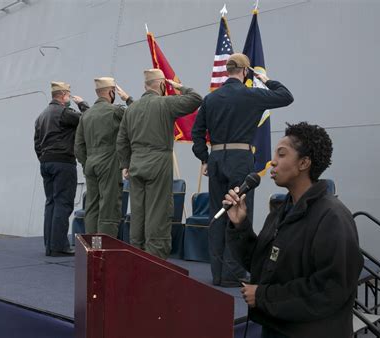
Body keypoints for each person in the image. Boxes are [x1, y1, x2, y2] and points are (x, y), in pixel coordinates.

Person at [223, 122, 364, 337]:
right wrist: (240, 225)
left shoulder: (332, 217)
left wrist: (264, 296)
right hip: (277, 328)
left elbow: (330, 289)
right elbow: (259, 264)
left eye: (281, 155)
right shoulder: (281, 211)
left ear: (304, 163)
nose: (273, 162)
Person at [191, 53, 294, 287]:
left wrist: (204, 159)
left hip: (216, 157)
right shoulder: (252, 94)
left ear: (227, 71)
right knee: (238, 212)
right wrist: (265, 80)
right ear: (246, 72)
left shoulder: (211, 99)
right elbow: (286, 96)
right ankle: (234, 273)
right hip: (240, 159)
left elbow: (197, 133)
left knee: (217, 213)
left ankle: (218, 273)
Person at [117, 69, 202, 259]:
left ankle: (136, 253)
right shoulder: (166, 104)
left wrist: (125, 164)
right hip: (159, 163)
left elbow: (121, 139)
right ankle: (155, 257)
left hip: (136, 164)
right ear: (163, 85)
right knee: (159, 210)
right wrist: (180, 87)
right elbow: (196, 98)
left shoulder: (131, 108)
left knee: (138, 211)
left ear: (145, 86)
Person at [34, 81, 89, 256]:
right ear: (64, 95)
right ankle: (59, 247)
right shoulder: (65, 112)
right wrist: (82, 104)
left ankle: (50, 246)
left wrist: (44, 158)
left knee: (50, 203)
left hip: (46, 163)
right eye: (68, 95)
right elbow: (88, 120)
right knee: (63, 204)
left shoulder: (41, 116)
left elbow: (37, 143)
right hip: (63, 162)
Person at [74, 77, 132, 238]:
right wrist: (127, 99)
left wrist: (86, 163)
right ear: (111, 92)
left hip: (90, 163)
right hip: (109, 162)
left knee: (92, 205)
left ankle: (91, 246)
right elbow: (137, 115)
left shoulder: (86, 115)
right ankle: (104, 248)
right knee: (109, 205)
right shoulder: (115, 111)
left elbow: (78, 146)